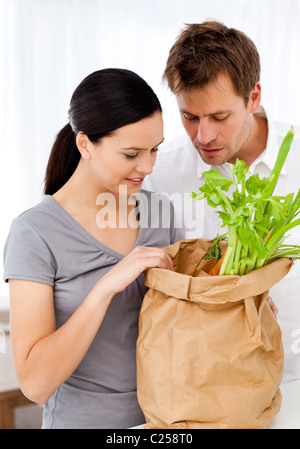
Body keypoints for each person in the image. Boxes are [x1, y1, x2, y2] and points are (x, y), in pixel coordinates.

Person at [3, 68, 178, 429]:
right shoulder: (35, 232)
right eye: (131, 154)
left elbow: (179, 321)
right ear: (85, 145)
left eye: (154, 150)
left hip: (167, 421)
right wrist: (105, 287)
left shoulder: (160, 211)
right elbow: (35, 384)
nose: (146, 166)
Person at [144, 21, 300, 383]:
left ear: (254, 97)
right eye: (189, 116)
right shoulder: (159, 173)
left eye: (219, 117)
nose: (204, 136)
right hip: (204, 384)